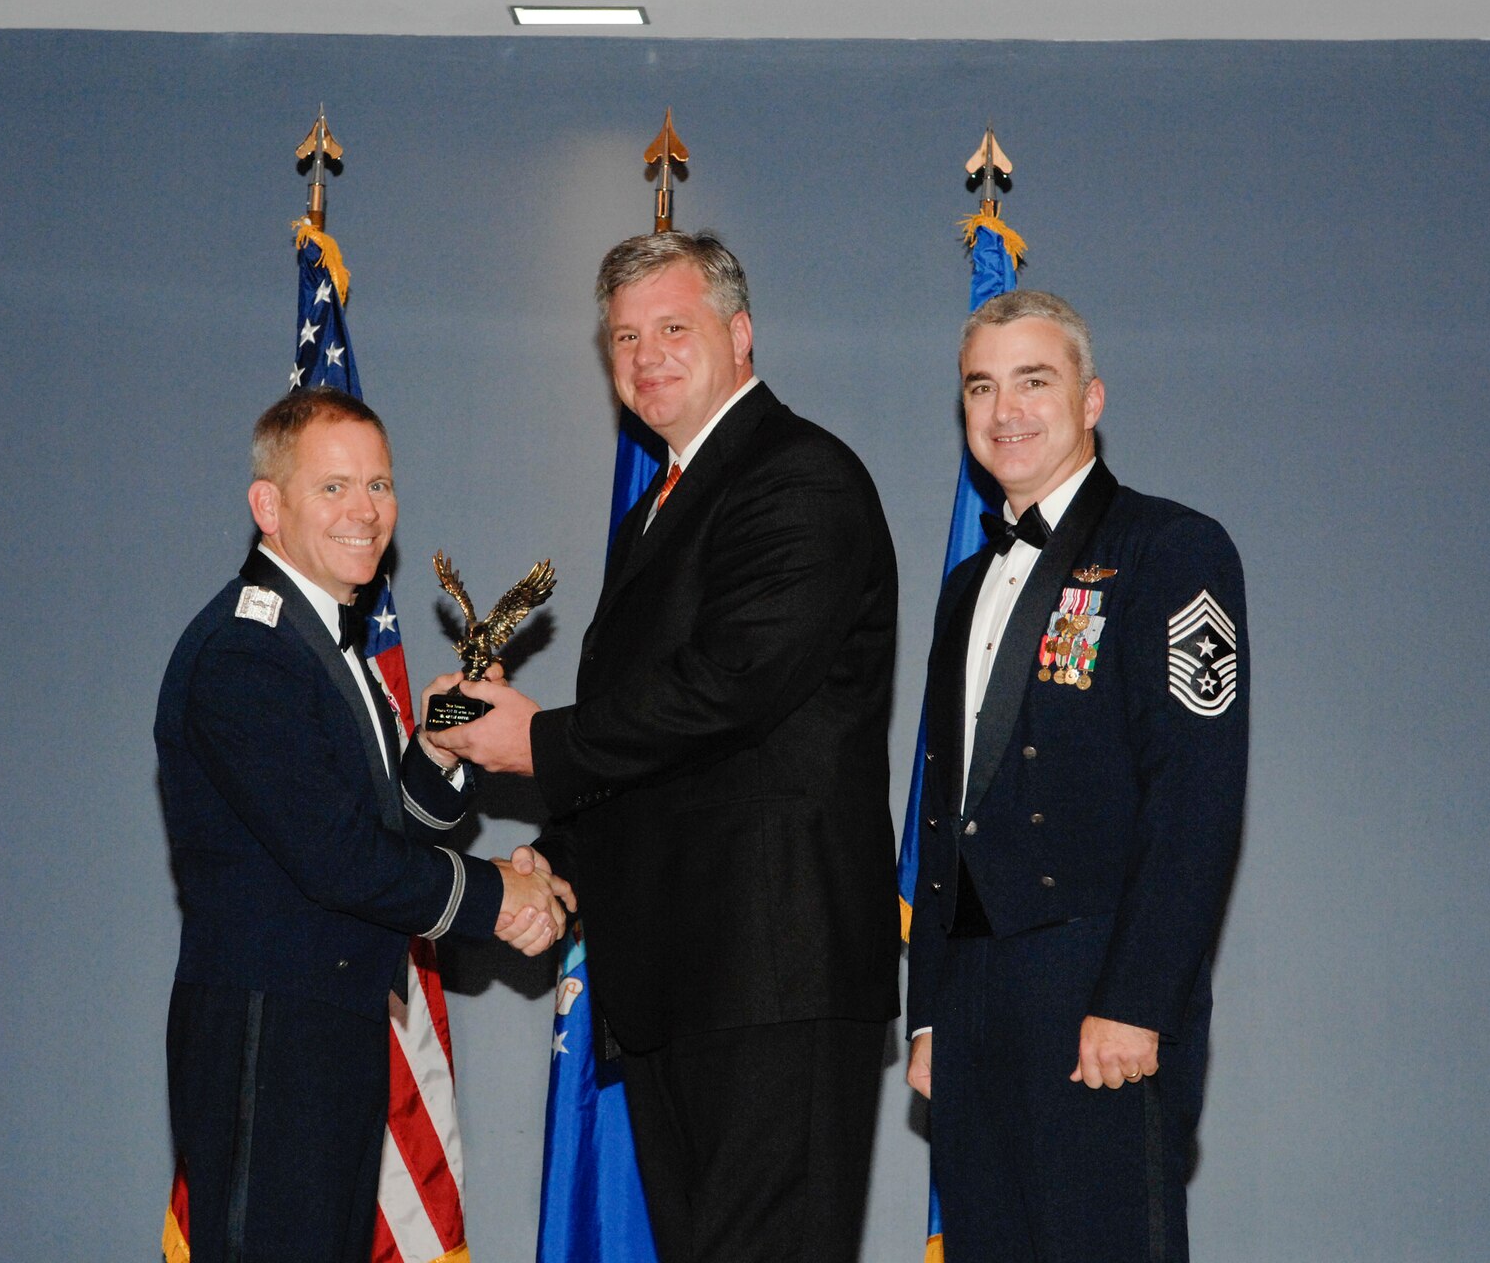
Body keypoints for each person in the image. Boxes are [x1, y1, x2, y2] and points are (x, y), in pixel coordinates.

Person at [429, 231, 901, 1263]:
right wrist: (549, 863)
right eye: (623, 336)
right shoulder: (659, 508)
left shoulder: (799, 477)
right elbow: (656, 754)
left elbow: (726, 691)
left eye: (672, 328)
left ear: (738, 334)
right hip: (683, 978)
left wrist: (535, 741)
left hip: (773, 971)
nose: (645, 356)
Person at [155, 385, 570, 1263]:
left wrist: (445, 739)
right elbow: (341, 861)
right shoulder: (247, 651)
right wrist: (500, 899)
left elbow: (385, 826)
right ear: (268, 505)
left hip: (328, 1022)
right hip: (271, 1031)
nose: (365, 510)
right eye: (334, 487)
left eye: (379, 485)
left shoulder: (318, 643)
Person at [904, 290, 1247, 1262]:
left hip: (1101, 997)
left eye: (1033, 380)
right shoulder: (964, 587)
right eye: (981, 385)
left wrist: (1137, 995)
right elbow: (943, 816)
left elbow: (1196, 791)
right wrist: (928, 1008)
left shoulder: (1169, 550)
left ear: (1089, 398)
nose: (1004, 408)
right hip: (973, 1014)